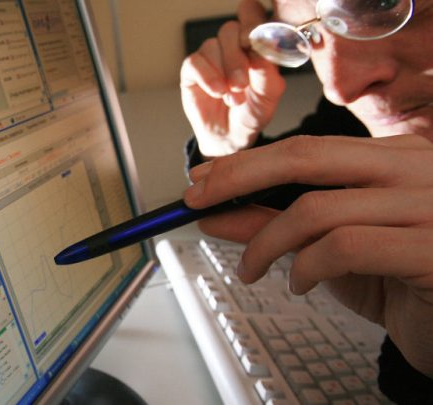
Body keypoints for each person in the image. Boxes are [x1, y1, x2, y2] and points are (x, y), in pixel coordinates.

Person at [178, 0, 433, 402]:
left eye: (382, 5)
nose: (338, 88)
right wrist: (226, 151)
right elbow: (300, 197)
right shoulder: (349, 120)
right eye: (309, 35)